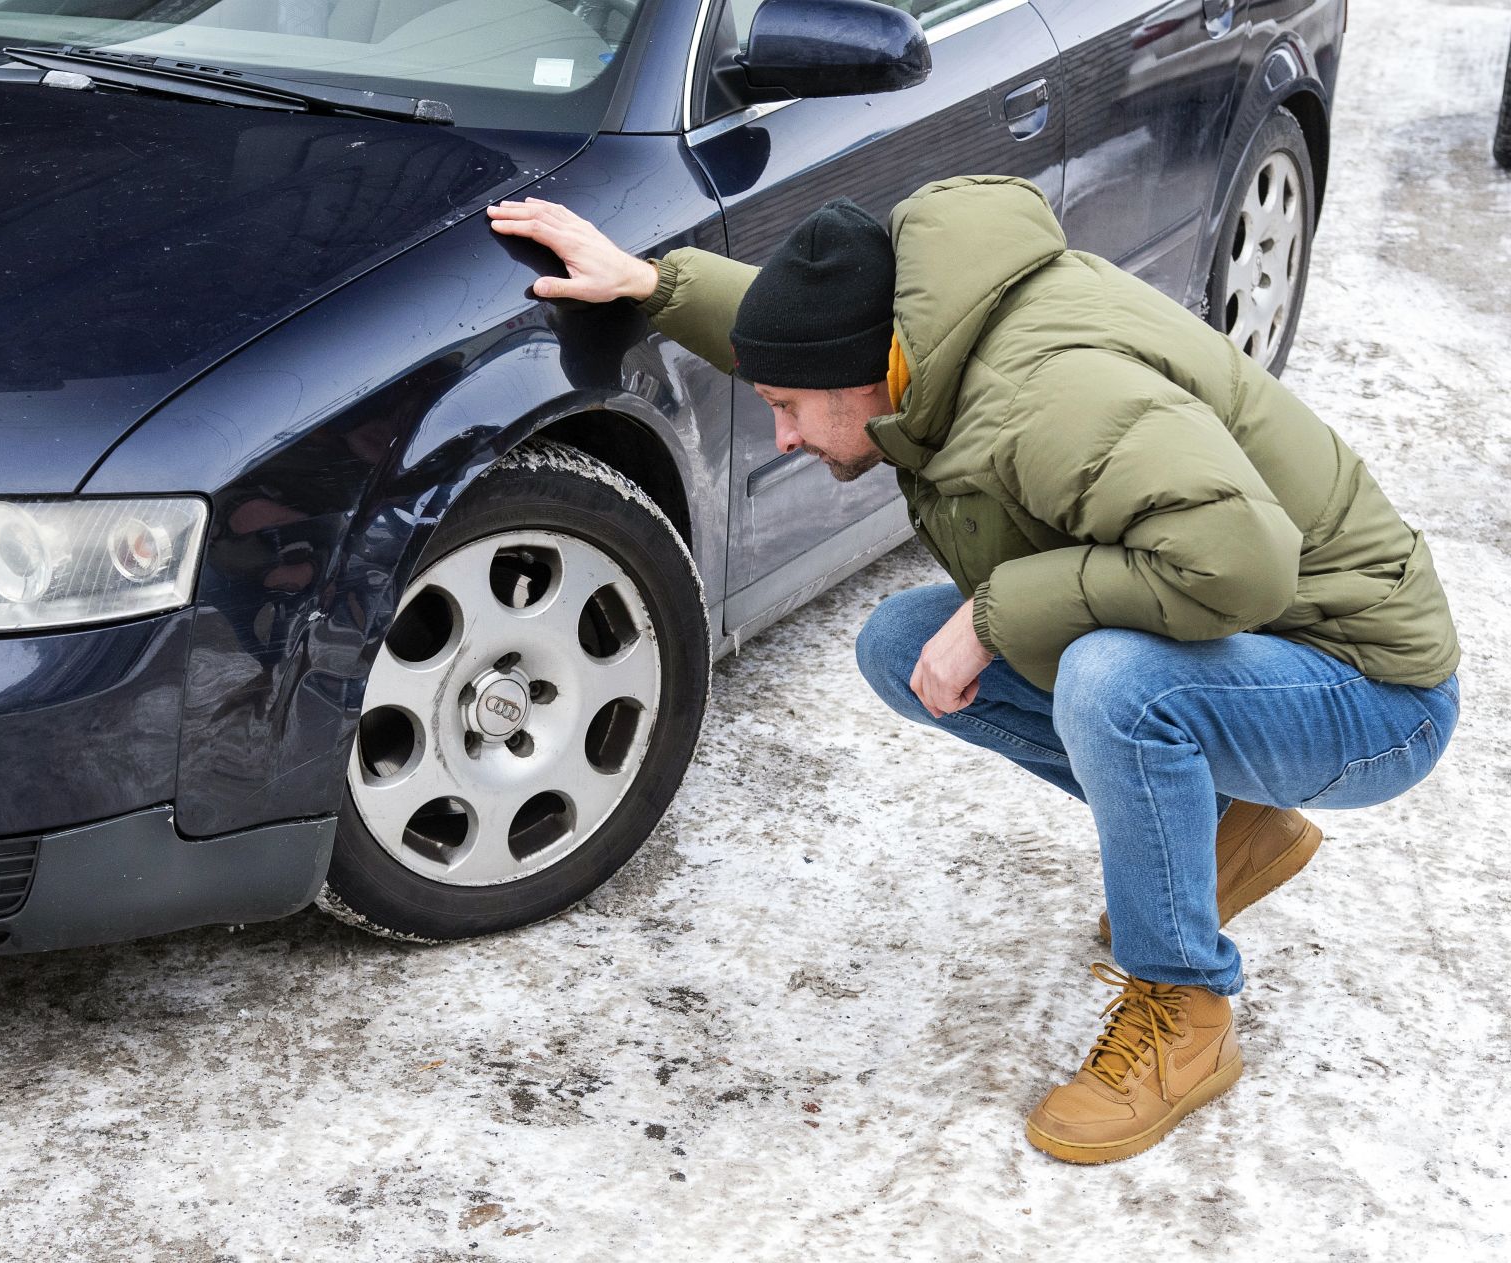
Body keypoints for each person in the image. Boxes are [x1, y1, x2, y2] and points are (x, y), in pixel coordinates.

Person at [487, 178, 1462, 1164]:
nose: (781, 435)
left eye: (783, 407)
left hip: (1371, 690)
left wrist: (996, 616)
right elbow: (798, 332)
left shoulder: (1048, 402)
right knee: (903, 645)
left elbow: (1240, 563)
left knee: (1114, 686)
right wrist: (651, 283)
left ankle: (1186, 1013)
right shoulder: (925, 336)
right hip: (1263, 659)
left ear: (859, 376)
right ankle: (1229, 828)